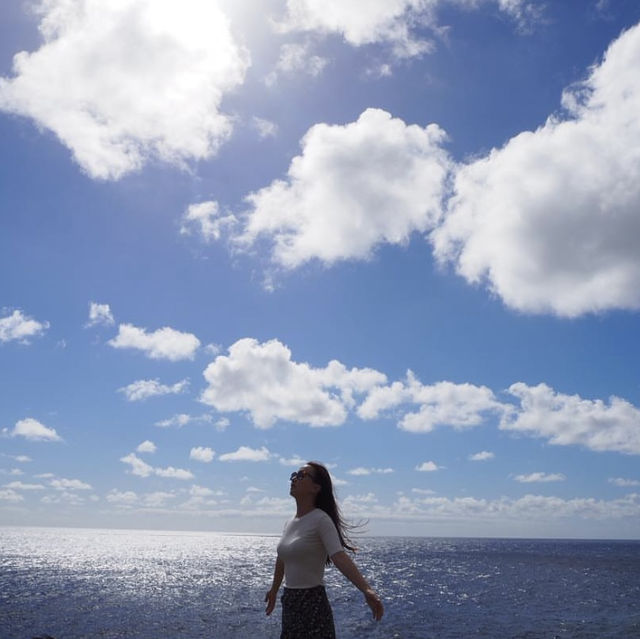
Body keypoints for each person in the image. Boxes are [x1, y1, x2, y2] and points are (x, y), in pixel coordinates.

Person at [265, 461, 384, 638]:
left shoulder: (321, 520)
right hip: (290, 602)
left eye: (302, 475)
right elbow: (282, 558)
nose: (294, 479)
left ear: (316, 488)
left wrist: (366, 590)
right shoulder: (289, 523)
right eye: (294, 475)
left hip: (312, 604)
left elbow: (339, 557)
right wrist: (274, 590)